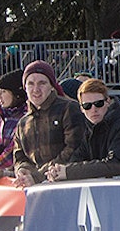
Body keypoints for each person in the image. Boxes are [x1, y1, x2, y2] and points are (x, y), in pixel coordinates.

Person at [45, 79, 120, 180]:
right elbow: (76, 159)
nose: (94, 109)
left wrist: (69, 172)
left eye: (98, 104)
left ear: (108, 102)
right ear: (81, 109)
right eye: (87, 106)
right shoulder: (87, 130)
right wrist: (59, 171)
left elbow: (116, 165)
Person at [12, 60, 89, 188]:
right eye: (30, 84)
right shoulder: (23, 123)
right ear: (25, 88)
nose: (36, 89)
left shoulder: (69, 109)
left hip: (67, 184)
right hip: (35, 187)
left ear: (52, 85)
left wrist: (39, 176)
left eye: (42, 83)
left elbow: (73, 149)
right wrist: (22, 170)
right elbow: (19, 156)